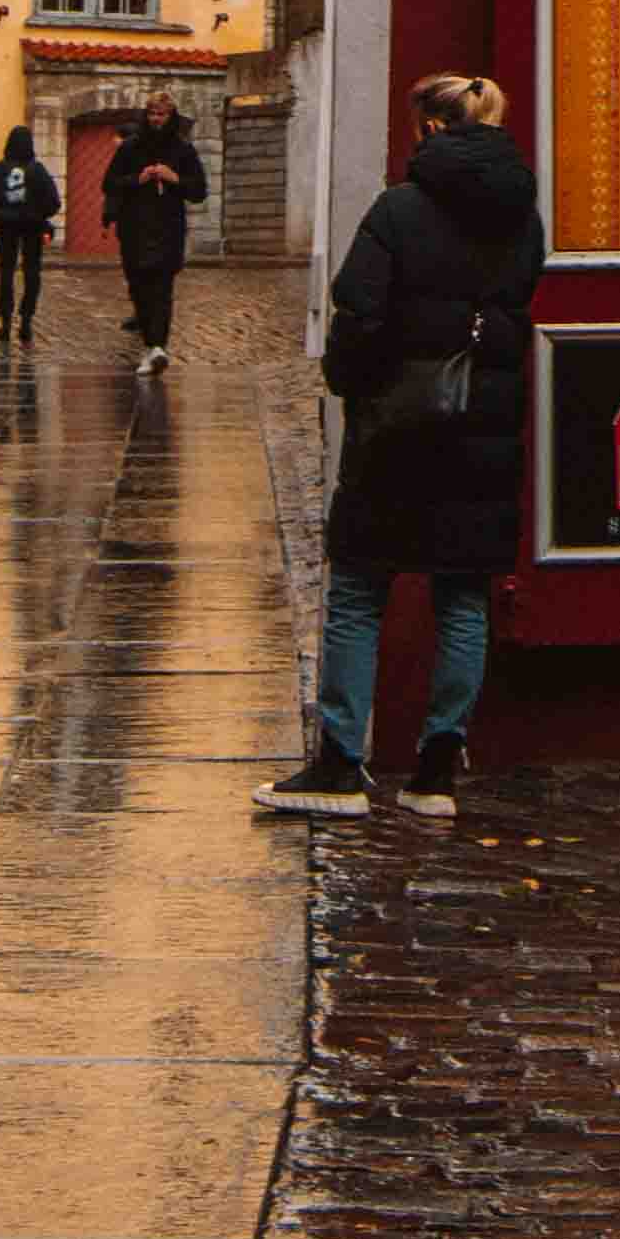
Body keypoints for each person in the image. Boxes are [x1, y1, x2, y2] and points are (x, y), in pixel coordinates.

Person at [260, 67, 542, 821]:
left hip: (397, 426)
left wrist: (350, 383)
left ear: (426, 128)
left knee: (357, 590)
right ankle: (437, 773)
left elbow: (358, 315)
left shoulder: (398, 211)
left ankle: (342, 765)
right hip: (483, 425)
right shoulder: (524, 214)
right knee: (462, 597)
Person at [101, 98, 206, 369]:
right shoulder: (130, 148)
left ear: (171, 117)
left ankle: (157, 345)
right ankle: (149, 339)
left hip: (168, 228)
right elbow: (109, 183)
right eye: (151, 114)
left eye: (161, 114)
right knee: (139, 287)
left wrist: (176, 180)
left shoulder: (183, 149)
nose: (156, 119)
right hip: (134, 228)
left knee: (162, 288)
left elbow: (199, 190)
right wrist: (137, 179)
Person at [0, 120, 56, 347]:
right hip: (32, 227)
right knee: (32, 272)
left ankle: (5, 320)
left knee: (6, 271)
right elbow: (53, 202)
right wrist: (37, 214)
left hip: (7, 226)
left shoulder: (2, 168)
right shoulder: (37, 170)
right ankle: (26, 320)